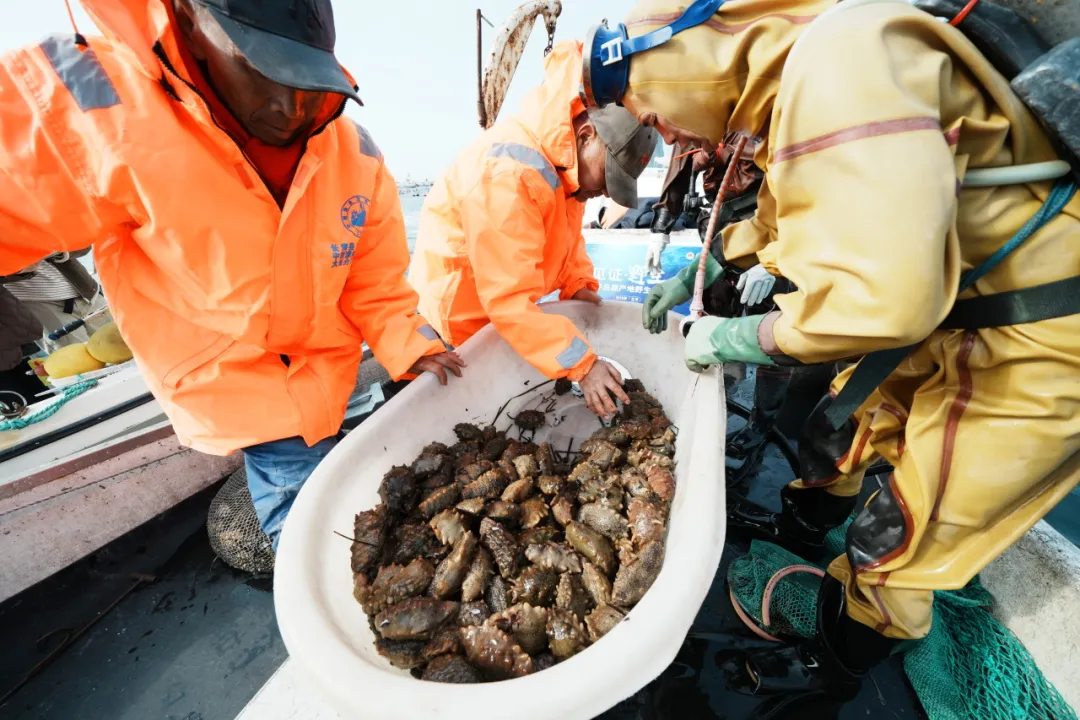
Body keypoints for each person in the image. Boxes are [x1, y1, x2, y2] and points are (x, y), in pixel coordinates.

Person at [581, 0, 1080, 698]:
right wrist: (715, 260)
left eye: (648, 111)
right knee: (836, 429)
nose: (660, 132)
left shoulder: (841, 59)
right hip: (951, 319)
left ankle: (833, 670)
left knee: (896, 539)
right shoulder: (789, 96)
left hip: (1032, 339)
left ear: (676, 52)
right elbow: (781, 219)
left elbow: (882, 307)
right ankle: (802, 540)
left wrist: (740, 336)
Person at [0, 0, 464, 549]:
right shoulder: (94, 102)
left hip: (331, 378)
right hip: (244, 392)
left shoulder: (357, 152)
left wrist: (411, 344)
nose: (288, 106)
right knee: (313, 533)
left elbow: (376, 281)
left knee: (357, 498)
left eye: (305, 79)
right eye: (263, 68)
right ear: (192, 22)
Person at [410, 40, 658, 418]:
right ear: (586, 135)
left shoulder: (565, 171)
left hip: (502, 324)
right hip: (456, 333)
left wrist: (578, 285)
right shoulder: (509, 173)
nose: (608, 192)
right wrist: (584, 366)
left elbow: (567, 241)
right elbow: (508, 300)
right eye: (609, 176)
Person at [6, 250, 110, 348]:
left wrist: (59, 251)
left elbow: (84, 243)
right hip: (38, 305)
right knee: (79, 357)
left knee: (118, 345)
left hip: (87, 294)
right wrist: (16, 269)